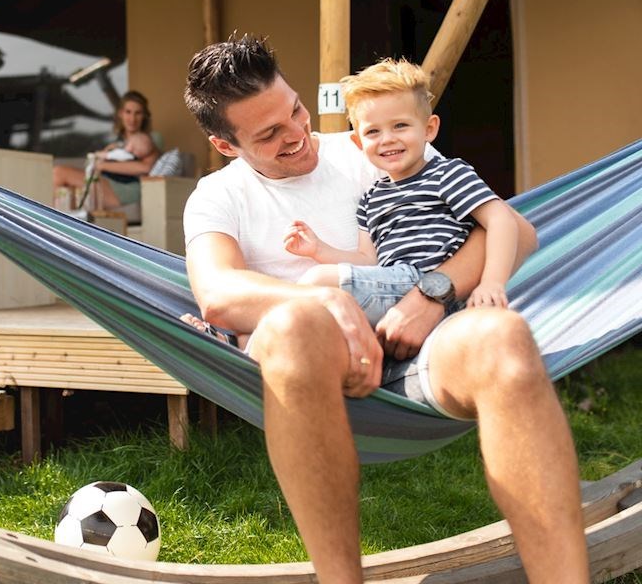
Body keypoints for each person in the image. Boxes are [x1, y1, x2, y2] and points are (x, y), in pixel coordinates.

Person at [182, 34, 587, 583]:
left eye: (296, 110)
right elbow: (219, 294)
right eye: (270, 134)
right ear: (226, 145)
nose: (298, 134)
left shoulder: (375, 143)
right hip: (312, 371)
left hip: (424, 347)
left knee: (502, 335)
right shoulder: (217, 196)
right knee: (296, 324)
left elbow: (511, 230)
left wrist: (432, 293)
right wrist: (328, 300)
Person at [284, 59, 518, 327]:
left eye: (400, 126)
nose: (387, 139)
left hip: (434, 284)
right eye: (373, 131)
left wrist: (492, 282)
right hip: (391, 287)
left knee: (316, 283)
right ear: (359, 143)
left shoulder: (448, 174)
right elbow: (367, 260)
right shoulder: (371, 198)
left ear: (429, 129)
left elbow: (502, 220)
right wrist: (320, 249)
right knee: (315, 301)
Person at [52, 90, 159, 211]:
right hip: (107, 182)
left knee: (59, 173)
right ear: (120, 114)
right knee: (68, 189)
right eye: (128, 112)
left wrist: (103, 165)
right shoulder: (116, 143)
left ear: (144, 116)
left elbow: (145, 168)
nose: (132, 118)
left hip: (125, 189)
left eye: (138, 113)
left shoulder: (149, 140)